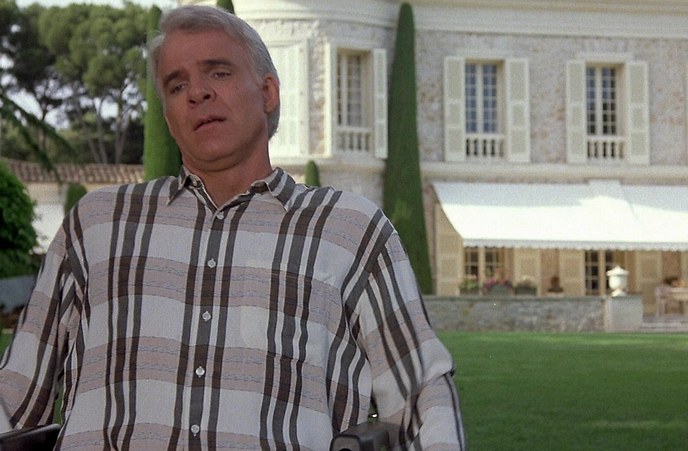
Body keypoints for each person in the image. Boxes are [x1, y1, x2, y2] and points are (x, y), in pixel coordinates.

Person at [0, 6, 465, 450]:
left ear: (268, 93)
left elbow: (421, 395)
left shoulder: (350, 231)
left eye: (218, 72)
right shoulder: (97, 226)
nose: (197, 92)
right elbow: (15, 394)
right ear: (169, 119)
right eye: (177, 85)